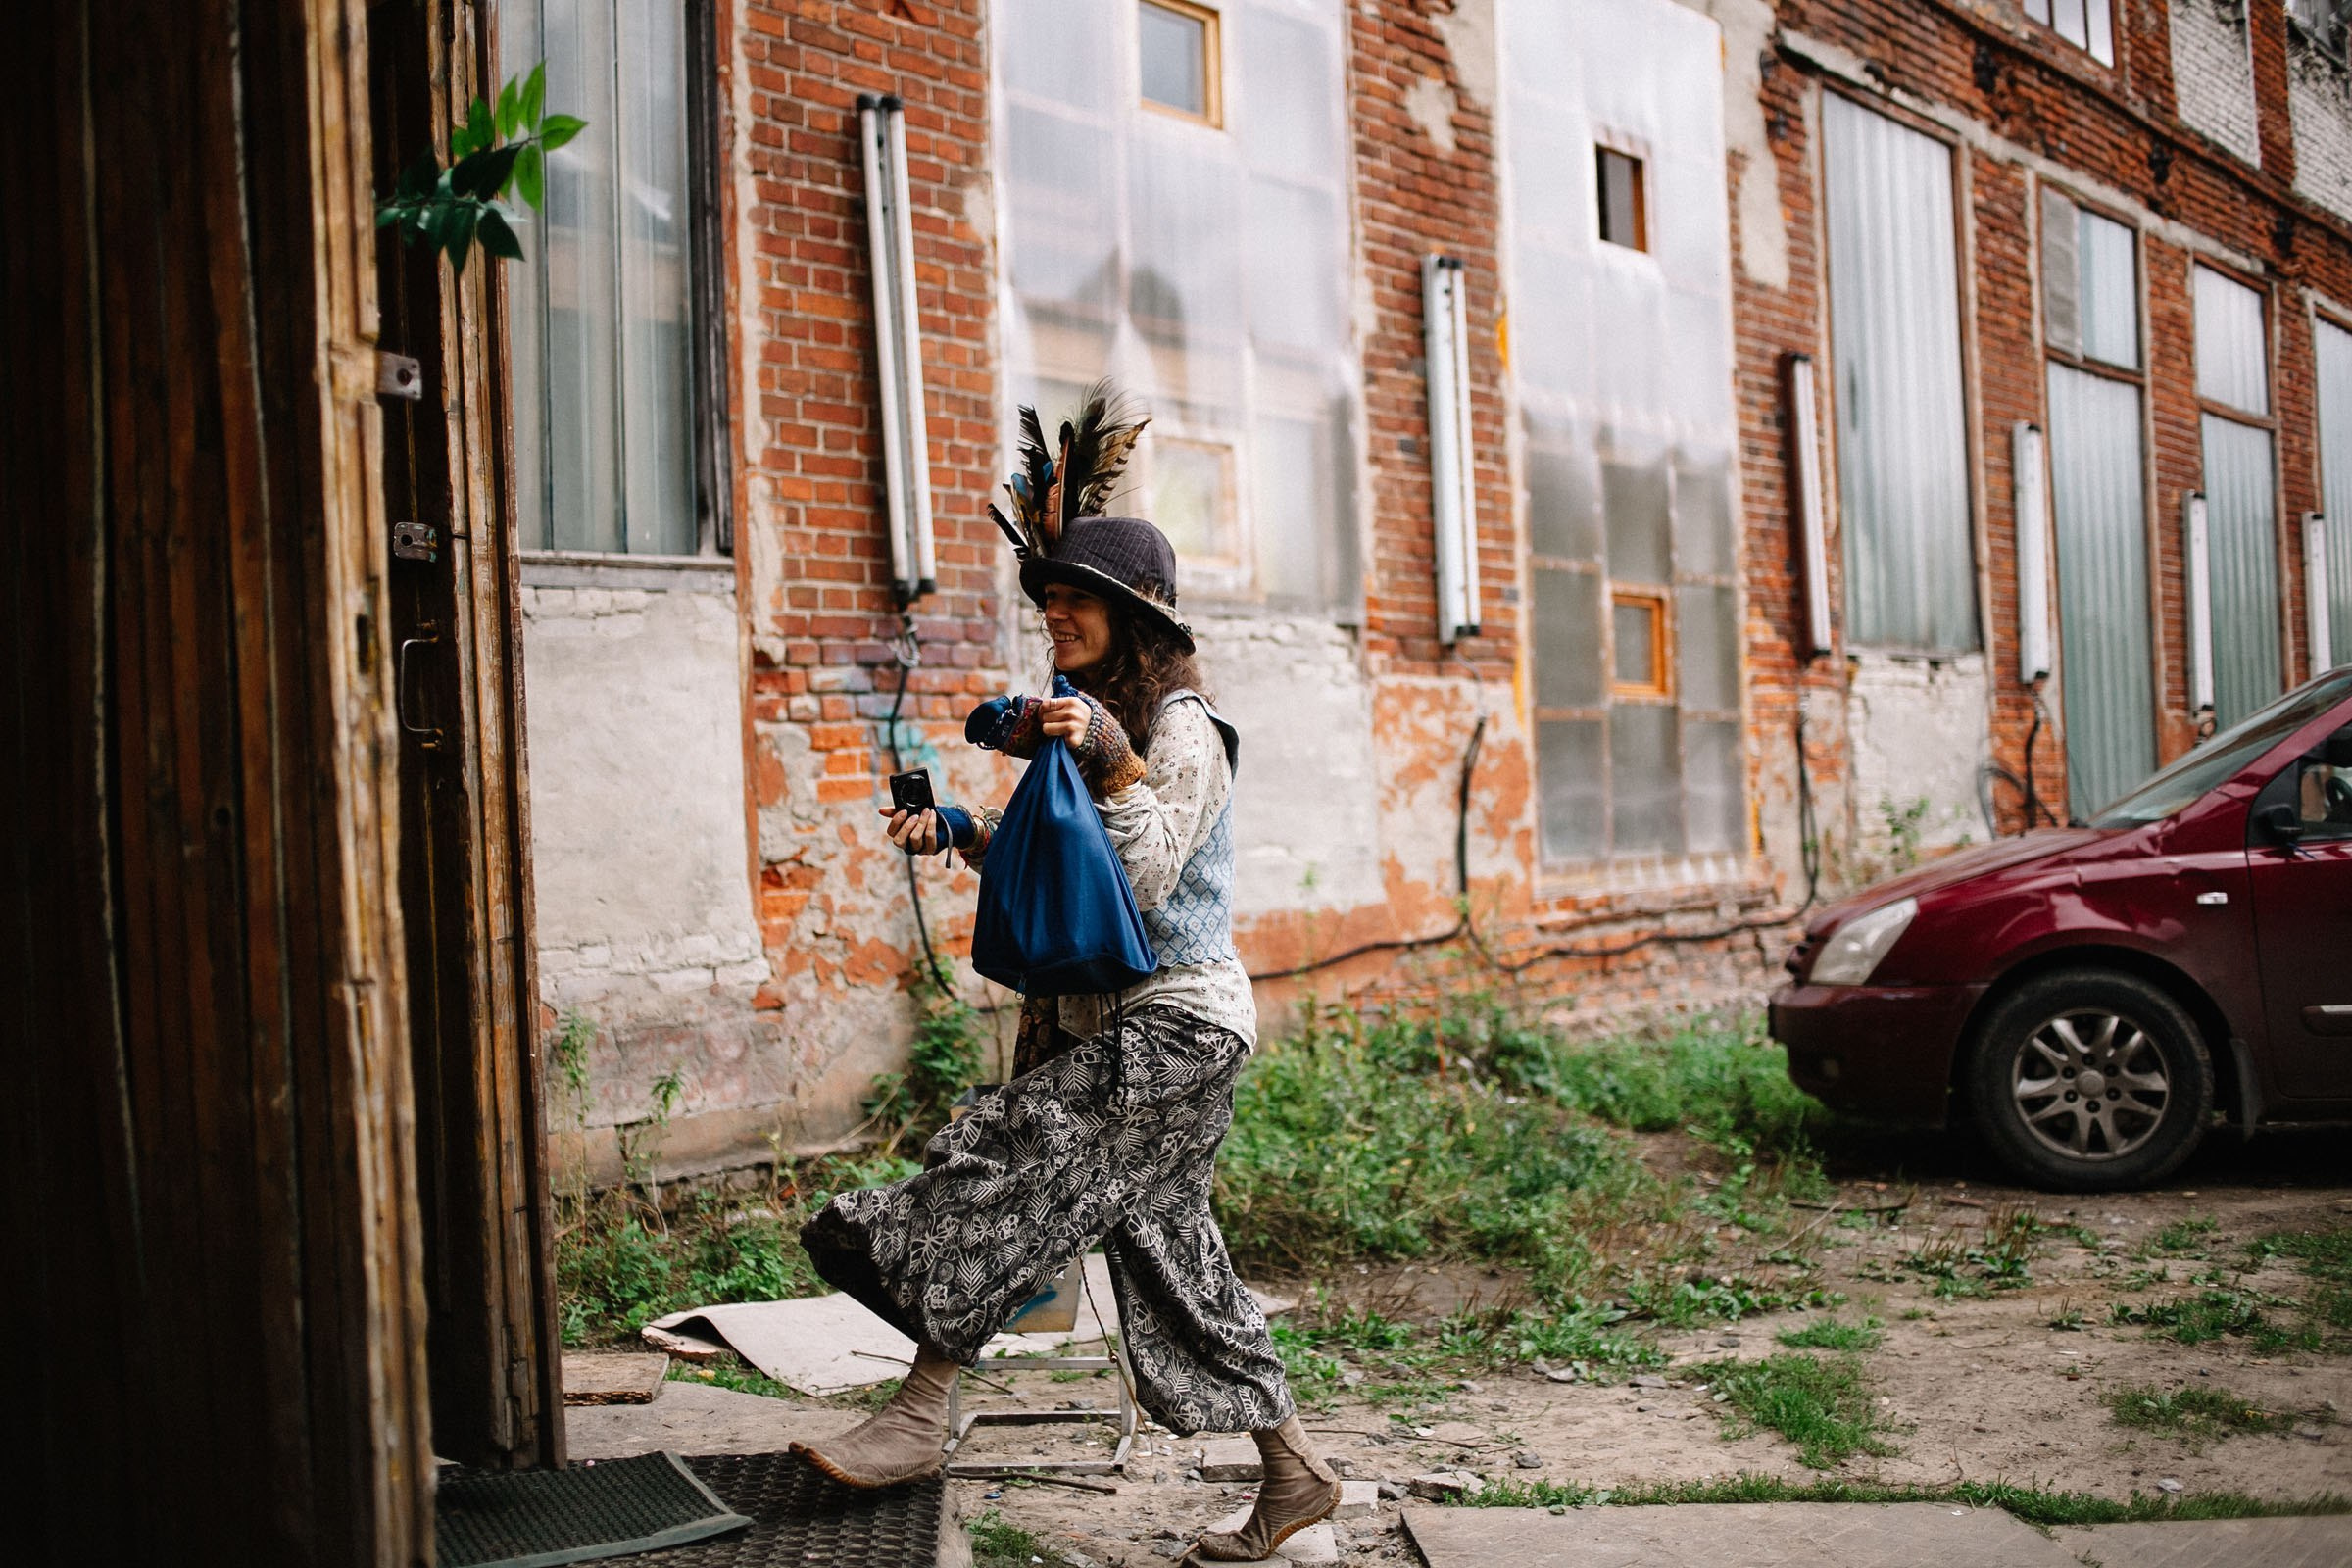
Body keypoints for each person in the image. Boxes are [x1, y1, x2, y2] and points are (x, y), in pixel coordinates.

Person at [792, 388, 1340, 1563]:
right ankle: (1295, 1474)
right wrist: (959, 833)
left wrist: (1105, 748)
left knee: (1004, 1159)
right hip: (1111, 1028)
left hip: (1179, 1026)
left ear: (1133, 615)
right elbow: (1067, 876)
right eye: (1048, 600)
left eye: (1075, 600)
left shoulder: (1182, 730)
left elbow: (1140, 881)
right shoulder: (1092, 719)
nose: (1055, 618)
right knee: (1169, 1252)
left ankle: (919, 1412)